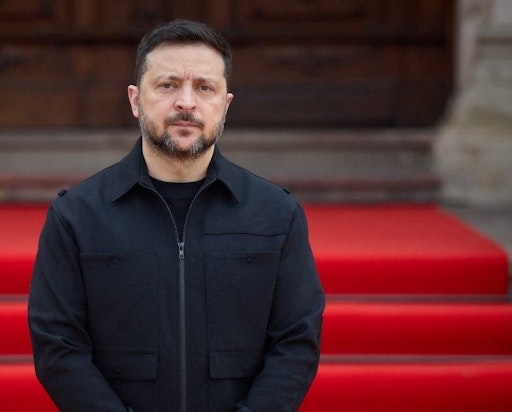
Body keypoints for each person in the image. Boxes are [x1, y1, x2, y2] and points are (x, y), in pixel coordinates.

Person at [28, 19, 325, 412]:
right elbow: (58, 347)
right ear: (135, 100)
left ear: (225, 105)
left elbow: (296, 343)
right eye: (167, 85)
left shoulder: (276, 215)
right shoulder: (77, 217)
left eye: (204, 87)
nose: (186, 102)